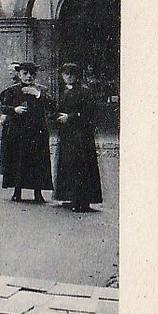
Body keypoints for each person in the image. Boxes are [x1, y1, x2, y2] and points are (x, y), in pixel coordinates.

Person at [0, 62, 54, 203]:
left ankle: (38, 193)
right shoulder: (11, 91)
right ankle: (17, 191)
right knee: (18, 160)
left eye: (32, 74)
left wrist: (37, 95)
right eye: (25, 74)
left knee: (37, 161)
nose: (28, 77)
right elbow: (3, 107)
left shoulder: (42, 90)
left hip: (37, 131)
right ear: (19, 75)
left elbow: (52, 105)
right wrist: (14, 110)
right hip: (18, 131)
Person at [53, 63, 103, 213]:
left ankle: (82, 200)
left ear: (77, 76)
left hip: (81, 135)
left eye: (72, 74)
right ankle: (70, 197)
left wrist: (70, 117)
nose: (68, 76)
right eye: (66, 74)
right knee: (68, 164)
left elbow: (88, 113)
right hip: (68, 134)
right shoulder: (64, 92)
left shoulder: (85, 92)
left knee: (80, 165)